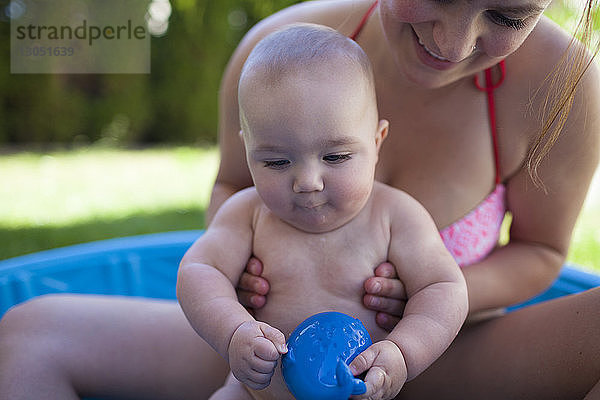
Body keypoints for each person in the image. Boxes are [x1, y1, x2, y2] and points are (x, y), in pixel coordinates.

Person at [0, 0, 598, 399]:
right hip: (262, 352)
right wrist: (237, 306)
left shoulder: (562, 87)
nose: (454, 39)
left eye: (508, 13)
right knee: (28, 331)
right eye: (279, 160)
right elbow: (225, 213)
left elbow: (541, 251)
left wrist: (416, 315)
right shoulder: (277, 53)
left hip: (438, 353)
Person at [177, 23, 468, 400]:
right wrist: (234, 331)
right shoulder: (247, 214)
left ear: (376, 143)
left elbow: (443, 287)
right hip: (255, 393)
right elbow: (200, 270)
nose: (308, 181)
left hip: (363, 392)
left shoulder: (395, 216)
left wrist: (403, 352)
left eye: (335, 156)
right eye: (277, 162)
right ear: (248, 150)